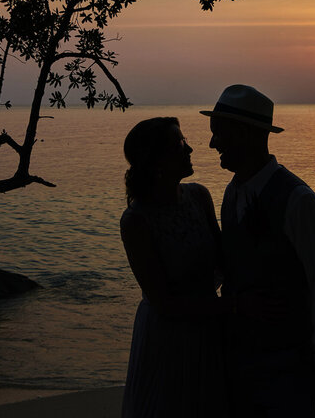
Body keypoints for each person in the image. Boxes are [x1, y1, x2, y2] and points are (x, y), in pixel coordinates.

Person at [202, 84, 315, 417]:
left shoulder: (301, 202)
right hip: (238, 363)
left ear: (245, 134)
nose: (212, 144)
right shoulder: (231, 193)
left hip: (286, 369)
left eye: (219, 133)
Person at [119, 116, 229, 417]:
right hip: (167, 338)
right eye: (180, 144)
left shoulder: (198, 196)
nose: (190, 148)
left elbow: (223, 259)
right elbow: (163, 302)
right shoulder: (136, 221)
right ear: (156, 160)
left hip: (208, 329)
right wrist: (233, 307)